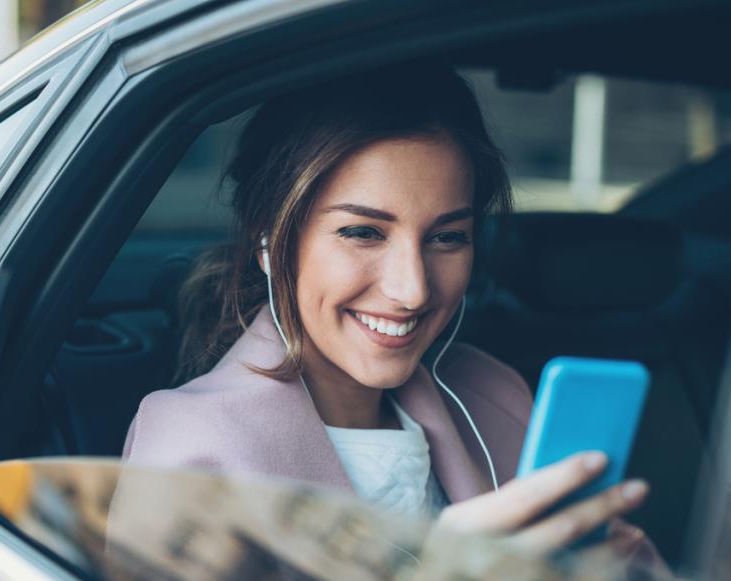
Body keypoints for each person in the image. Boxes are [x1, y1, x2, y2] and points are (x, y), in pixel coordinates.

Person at [123, 63, 651, 554]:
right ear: (270, 238)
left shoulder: (494, 395)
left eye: (447, 237)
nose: (412, 290)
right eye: (363, 233)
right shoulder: (190, 446)